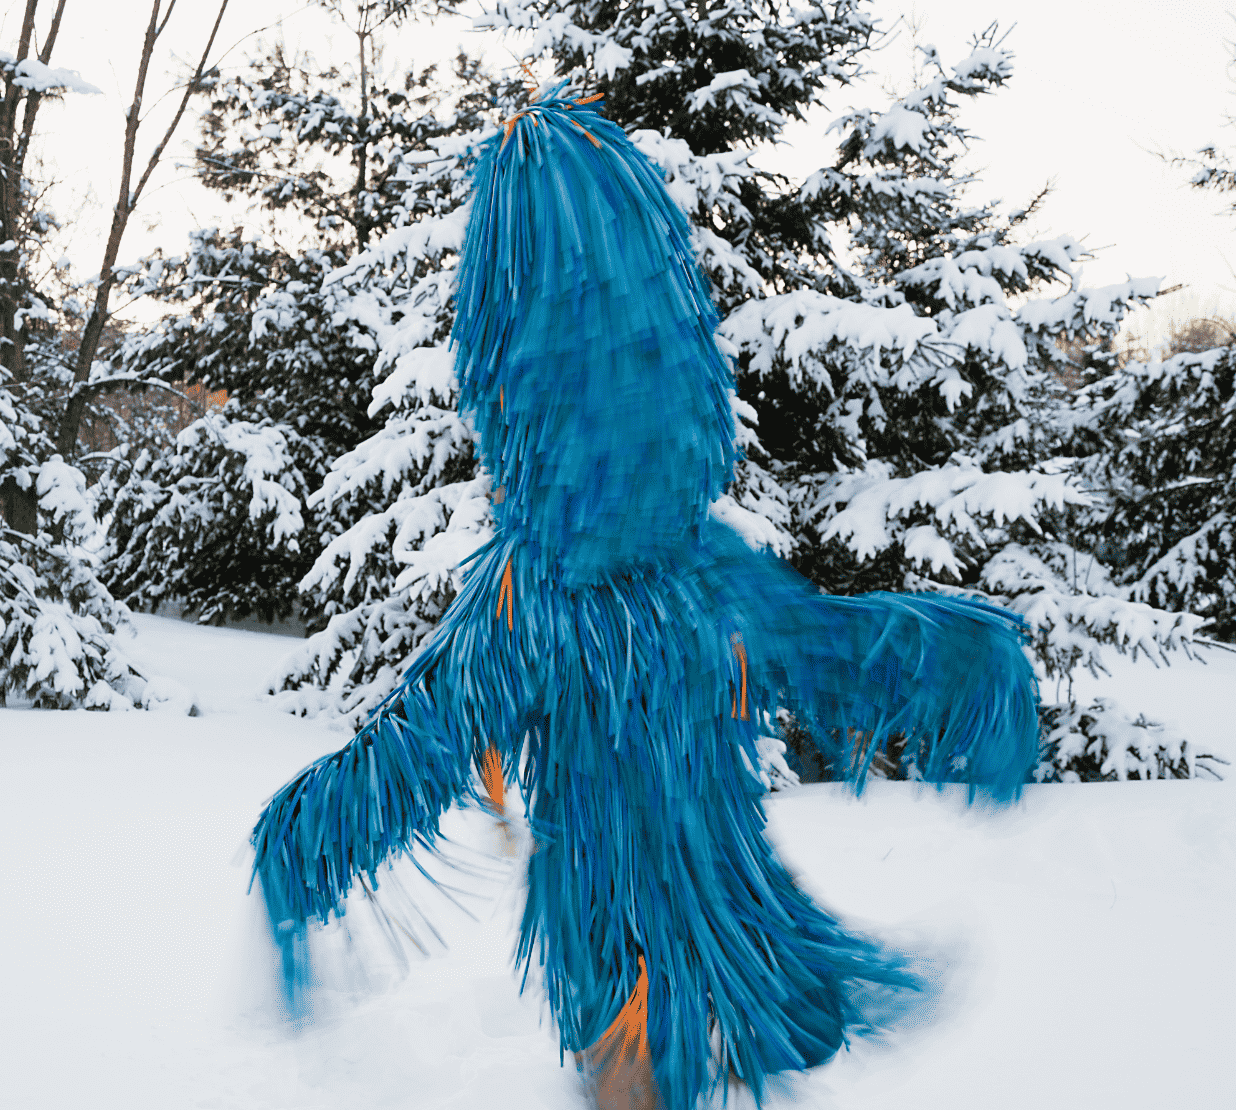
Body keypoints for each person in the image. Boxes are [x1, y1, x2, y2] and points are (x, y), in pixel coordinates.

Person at [251, 85, 1038, 1110]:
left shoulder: (598, 587)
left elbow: (417, 747)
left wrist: (301, 835)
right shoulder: (646, 580)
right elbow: (421, 744)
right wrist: (965, 651)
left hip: (708, 928)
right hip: (659, 943)